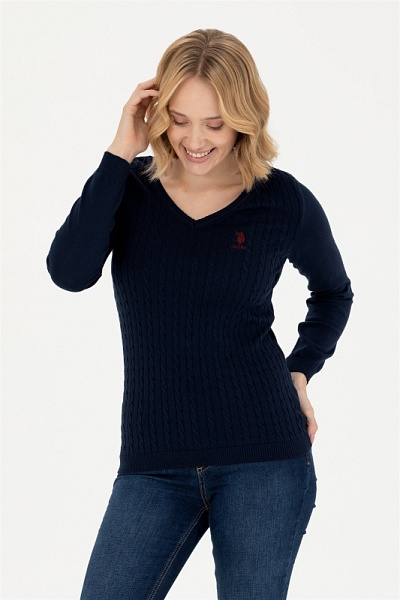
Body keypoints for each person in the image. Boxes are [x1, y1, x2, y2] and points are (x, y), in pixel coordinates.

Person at [47, 28, 353, 600]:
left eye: (214, 124)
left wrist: (300, 370)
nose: (194, 139)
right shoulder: (128, 190)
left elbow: (334, 292)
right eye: (179, 119)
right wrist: (119, 152)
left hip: (266, 459)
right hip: (153, 463)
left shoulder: (281, 200)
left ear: (244, 118)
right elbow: (69, 272)